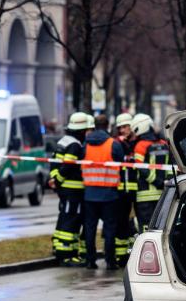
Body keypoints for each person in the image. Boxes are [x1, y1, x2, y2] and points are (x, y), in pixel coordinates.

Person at [81, 113, 125, 270]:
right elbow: (121, 162)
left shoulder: (85, 144)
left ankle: (90, 261)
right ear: (107, 126)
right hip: (109, 194)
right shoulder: (113, 144)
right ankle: (110, 261)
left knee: (90, 228)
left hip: (90, 194)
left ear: (94, 125)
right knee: (109, 229)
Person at [49, 112, 91, 267]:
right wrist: (59, 179)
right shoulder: (74, 145)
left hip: (65, 190)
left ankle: (59, 247)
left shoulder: (63, 141)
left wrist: (54, 179)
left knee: (64, 217)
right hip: (72, 190)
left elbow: (54, 163)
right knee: (71, 219)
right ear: (81, 130)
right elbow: (68, 165)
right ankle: (67, 255)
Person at [131, 114, 171, 231]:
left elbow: (141, 168)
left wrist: (158, 182)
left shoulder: (140, 145)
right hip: (164, 194)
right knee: (162, 227)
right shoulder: (164, 144)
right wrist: (167, 181)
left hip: (144, 196)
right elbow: (170, 166)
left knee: (145, 227)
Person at [112, 113, 137, 267]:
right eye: (120, 127)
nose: (123, 130)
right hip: (121, 191)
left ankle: (131, 253)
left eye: (125, 127)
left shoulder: (137, 142)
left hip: (136, 190)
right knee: (121, 223)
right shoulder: (117, 144)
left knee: (133, 224)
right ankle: (121, 256)